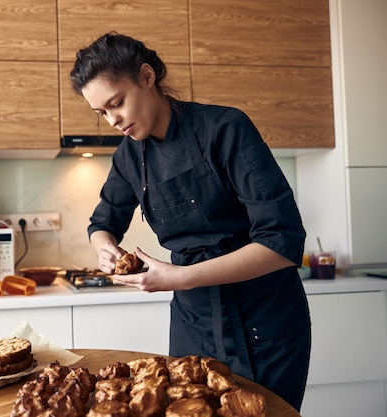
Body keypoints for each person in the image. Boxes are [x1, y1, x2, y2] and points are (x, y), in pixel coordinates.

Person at [70, 32, 311, 411]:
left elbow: (281, 242)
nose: (113, 120)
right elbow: (102, 223)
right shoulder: (129, 156)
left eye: (117, 103)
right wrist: (106, 251)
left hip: (263, 320)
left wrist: (176, 277)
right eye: (101, 113)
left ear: (146, 77)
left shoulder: (225, 128)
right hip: (193, 323)